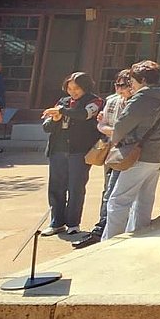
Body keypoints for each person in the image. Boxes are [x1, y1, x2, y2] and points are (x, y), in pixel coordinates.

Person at [100, 60, 160, 237]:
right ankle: (139, 233)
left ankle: (111, 239)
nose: (131, 85)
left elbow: (122, 126)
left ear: (142, 80)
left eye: (132, 81)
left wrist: (110, 134)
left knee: (119, 200)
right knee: (144, 200)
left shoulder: (141, 99)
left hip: (138, 154)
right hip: (157, 154)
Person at [74, 69, 134, 248]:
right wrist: (113, 131)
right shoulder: (112, 100)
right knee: (108, 189)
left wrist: (115, 131)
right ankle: (102, 227)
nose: (120, 89)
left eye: (124, 85)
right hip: (111, 149)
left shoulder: (138, 103)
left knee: (125, 191)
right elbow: (101, 124)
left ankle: (121, 227)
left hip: (130, 151)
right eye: (117, 85)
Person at [40, 73, 103, 236]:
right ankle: (56, 222)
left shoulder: (94, 101)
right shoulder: (63, 101)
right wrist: (55, 118)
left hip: (79, 150)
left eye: (77, 88)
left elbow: (84, 114)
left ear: (85, 87)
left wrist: (62, 111)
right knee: (56, 186)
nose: (73, 92)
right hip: (58, 148)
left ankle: (73, 223)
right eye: (69, 88)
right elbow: (46, 126)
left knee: (76, 187)